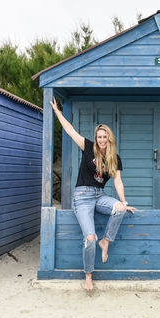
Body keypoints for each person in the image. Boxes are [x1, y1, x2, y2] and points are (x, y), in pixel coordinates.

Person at [50, 97, 136, 292]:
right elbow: (70, 131)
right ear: (96, 138)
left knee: (120, 209)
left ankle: (106, 241)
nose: (102, 140)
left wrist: (124, 202)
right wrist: (58, 112)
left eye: (104, 137)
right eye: (99, 137)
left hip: (99, 195)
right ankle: (88, 275)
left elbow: (117, 181)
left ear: (109, 138)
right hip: (82, 197)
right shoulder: (88, 147)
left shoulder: (115, 159)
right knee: (90, 238)